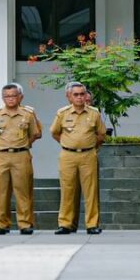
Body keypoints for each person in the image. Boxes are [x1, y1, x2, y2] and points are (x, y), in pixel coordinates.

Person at [51, 82, 107, 235]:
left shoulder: (94, 113)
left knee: (91, 191)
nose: (79, 97)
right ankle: (65, 224)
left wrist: (90, 147)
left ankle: (92, 224)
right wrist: (68, 144)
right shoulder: (62, 113)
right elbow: (55, 133)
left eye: (82, 94)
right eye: (76, 94)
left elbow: (101, 135)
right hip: (67, 155)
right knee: (67, 190)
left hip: (88, 155)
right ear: (69, 96)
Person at [0, 83, 42, 235]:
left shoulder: (27, 114)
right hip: (2, 156)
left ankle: (25, 224)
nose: (10, 99)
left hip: (21, 155)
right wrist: (2, 146)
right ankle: (1, 224)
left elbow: (35, 134)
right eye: (7, 96)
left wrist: (23, 145)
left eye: (13, 96)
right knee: (0, 191)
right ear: (2, 98)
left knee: (23, 190)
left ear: (20, 97)